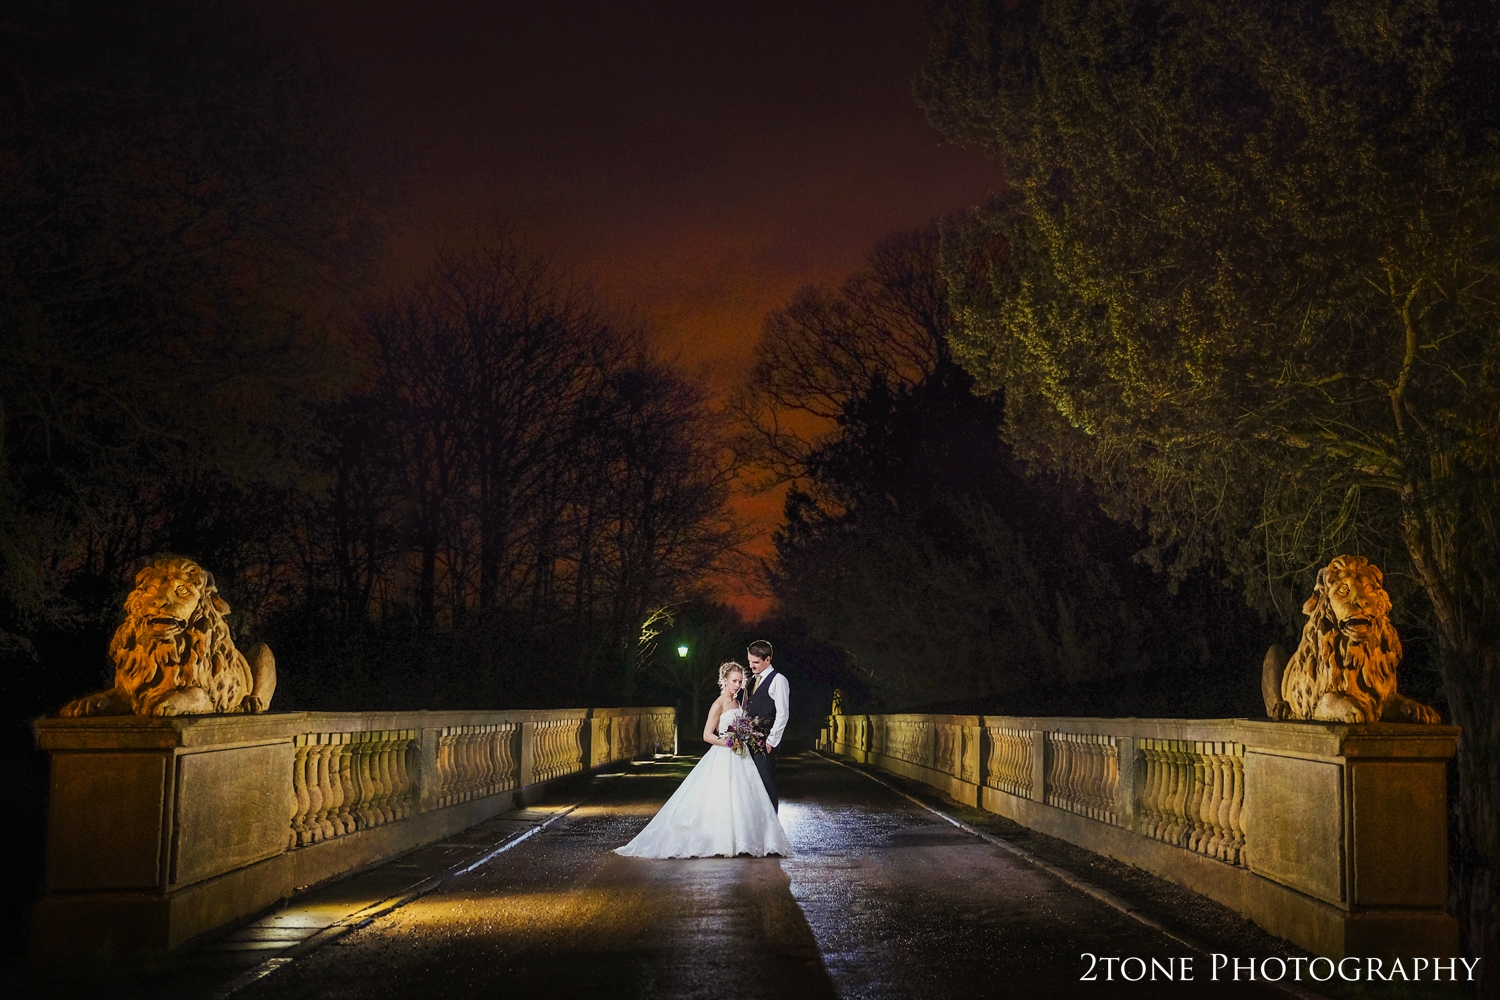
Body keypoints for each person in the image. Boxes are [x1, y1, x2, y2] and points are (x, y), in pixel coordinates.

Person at [614, 661, 790, 858]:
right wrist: (729, 743)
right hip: (725, 754)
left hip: (742, 756)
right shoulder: (718, 704)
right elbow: (707, 735)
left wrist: (745, 737)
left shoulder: (739, 703)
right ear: (724, 680)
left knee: (745, 797)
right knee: (721, 797)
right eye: (734, 681)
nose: (738, 685)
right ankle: (719, 840)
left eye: (740, 681)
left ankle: (745, 840)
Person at [743, 639, 789, 810]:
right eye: (749, 661)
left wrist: (771, 741)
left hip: (765, 742)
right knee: (751, 786)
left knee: (766, 784)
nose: (751, 665)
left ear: (767, 660)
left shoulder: (779, 680)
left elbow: (783, 714)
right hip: (749, 740)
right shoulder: (752, 680)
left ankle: (772, 828)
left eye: (755, 662)